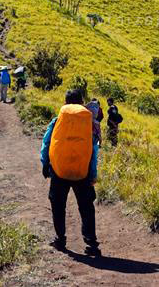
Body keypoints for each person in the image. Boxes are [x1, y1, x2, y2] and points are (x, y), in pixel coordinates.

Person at [40, 90, 101, 257]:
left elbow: (47, 142)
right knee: (86, 207)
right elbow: (93, 149)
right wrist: (92, 173)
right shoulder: (88, 122)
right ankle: (91, 244)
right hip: (82, 170)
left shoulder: (57, 120)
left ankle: (60, 239)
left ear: (65, 102)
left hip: (59, 170)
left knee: (58, 205)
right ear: (81, 102)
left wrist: (45, 164)